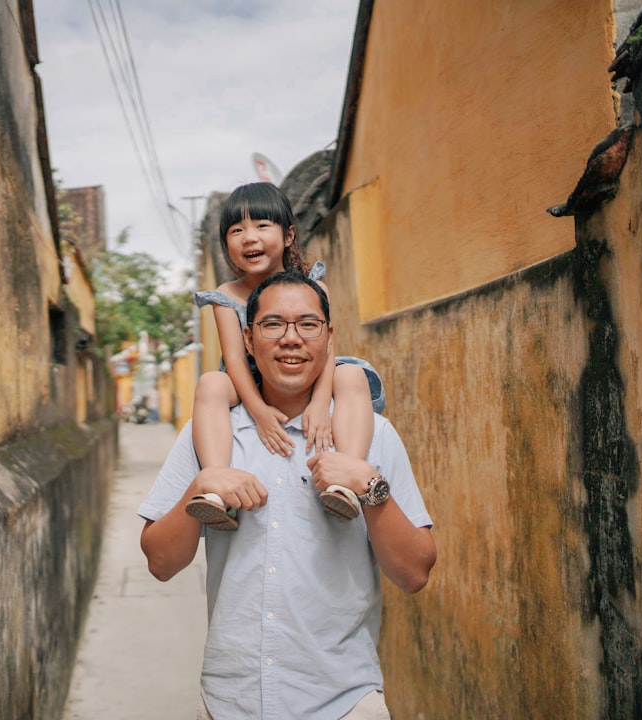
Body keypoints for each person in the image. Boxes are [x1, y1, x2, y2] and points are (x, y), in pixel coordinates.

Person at [138, 271, 436, 719]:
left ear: (329, 336)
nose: (291, 339)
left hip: (343, 703)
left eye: (308, 324)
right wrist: (198, 490)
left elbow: (415, 574)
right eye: (273, 324)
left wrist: (370, 487)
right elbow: (160, 563)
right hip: (230, 703)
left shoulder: (371, 435)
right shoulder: (213, 434)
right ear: (248, 338)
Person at [187, 182, 384, 530]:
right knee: (211, 384)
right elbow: (234, 360)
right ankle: (218, 491)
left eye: (262, 226)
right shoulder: (225, 296)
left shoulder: (313, 286)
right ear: (226, 245)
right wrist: (260, 412)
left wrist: (321, 404)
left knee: (351, 376)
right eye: (237, 230)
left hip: (305, 371)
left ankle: (345, 483)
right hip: (248, 379)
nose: (249, 237)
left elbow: (326, 350)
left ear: (288, 234)